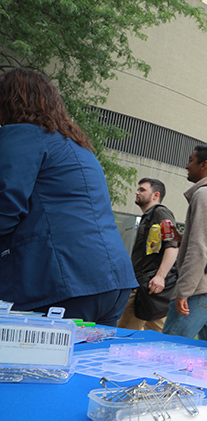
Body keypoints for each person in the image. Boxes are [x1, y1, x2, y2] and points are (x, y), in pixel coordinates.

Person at [0, 67, 137, 326]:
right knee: (86, 364)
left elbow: (5, 207)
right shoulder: (76, 145)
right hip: (111, 281)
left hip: (60, 281)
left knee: (29, 366)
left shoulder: (21, 135)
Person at [162, 145, 207, 340]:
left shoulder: (204, 194)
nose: (186, 166)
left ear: (204, 165)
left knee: (170, 347)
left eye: (191, 160)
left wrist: (184, 291)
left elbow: (200, 247)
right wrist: (183, 238)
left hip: (201, 288)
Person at [118, 178, 179, 331]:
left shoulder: (160, 212)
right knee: (156, 332)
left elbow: (172, 246)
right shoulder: (149, 216)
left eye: (142, 190)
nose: (137, 192)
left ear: (155, 195)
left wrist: (160, 276)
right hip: (145, 286)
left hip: (149, 286)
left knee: (125, 331)